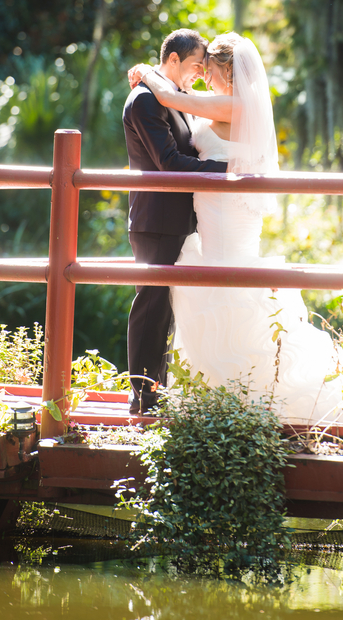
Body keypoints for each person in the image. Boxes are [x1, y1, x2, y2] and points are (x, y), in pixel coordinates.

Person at [133, 31, 343, 428]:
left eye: (209, 70)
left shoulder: (233, 104)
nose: (204, 77)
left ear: (227, 71)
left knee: (226, 292)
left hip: (225, 214)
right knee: (220, 293)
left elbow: (172, 100)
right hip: (220, 213)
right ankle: (219, 401)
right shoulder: (235, 104)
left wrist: (146, 74)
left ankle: (231, 402)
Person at [123, 29, 228, 415]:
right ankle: (143, 396)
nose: (200, 75)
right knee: (151, 305)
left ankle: (155, 390)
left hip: (175, 219)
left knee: (165, 306)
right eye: (196, 66)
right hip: (156, 218)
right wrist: (228, 168)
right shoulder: (146, 101)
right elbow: (169, 162)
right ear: (173, 60)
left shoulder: (171, 97)